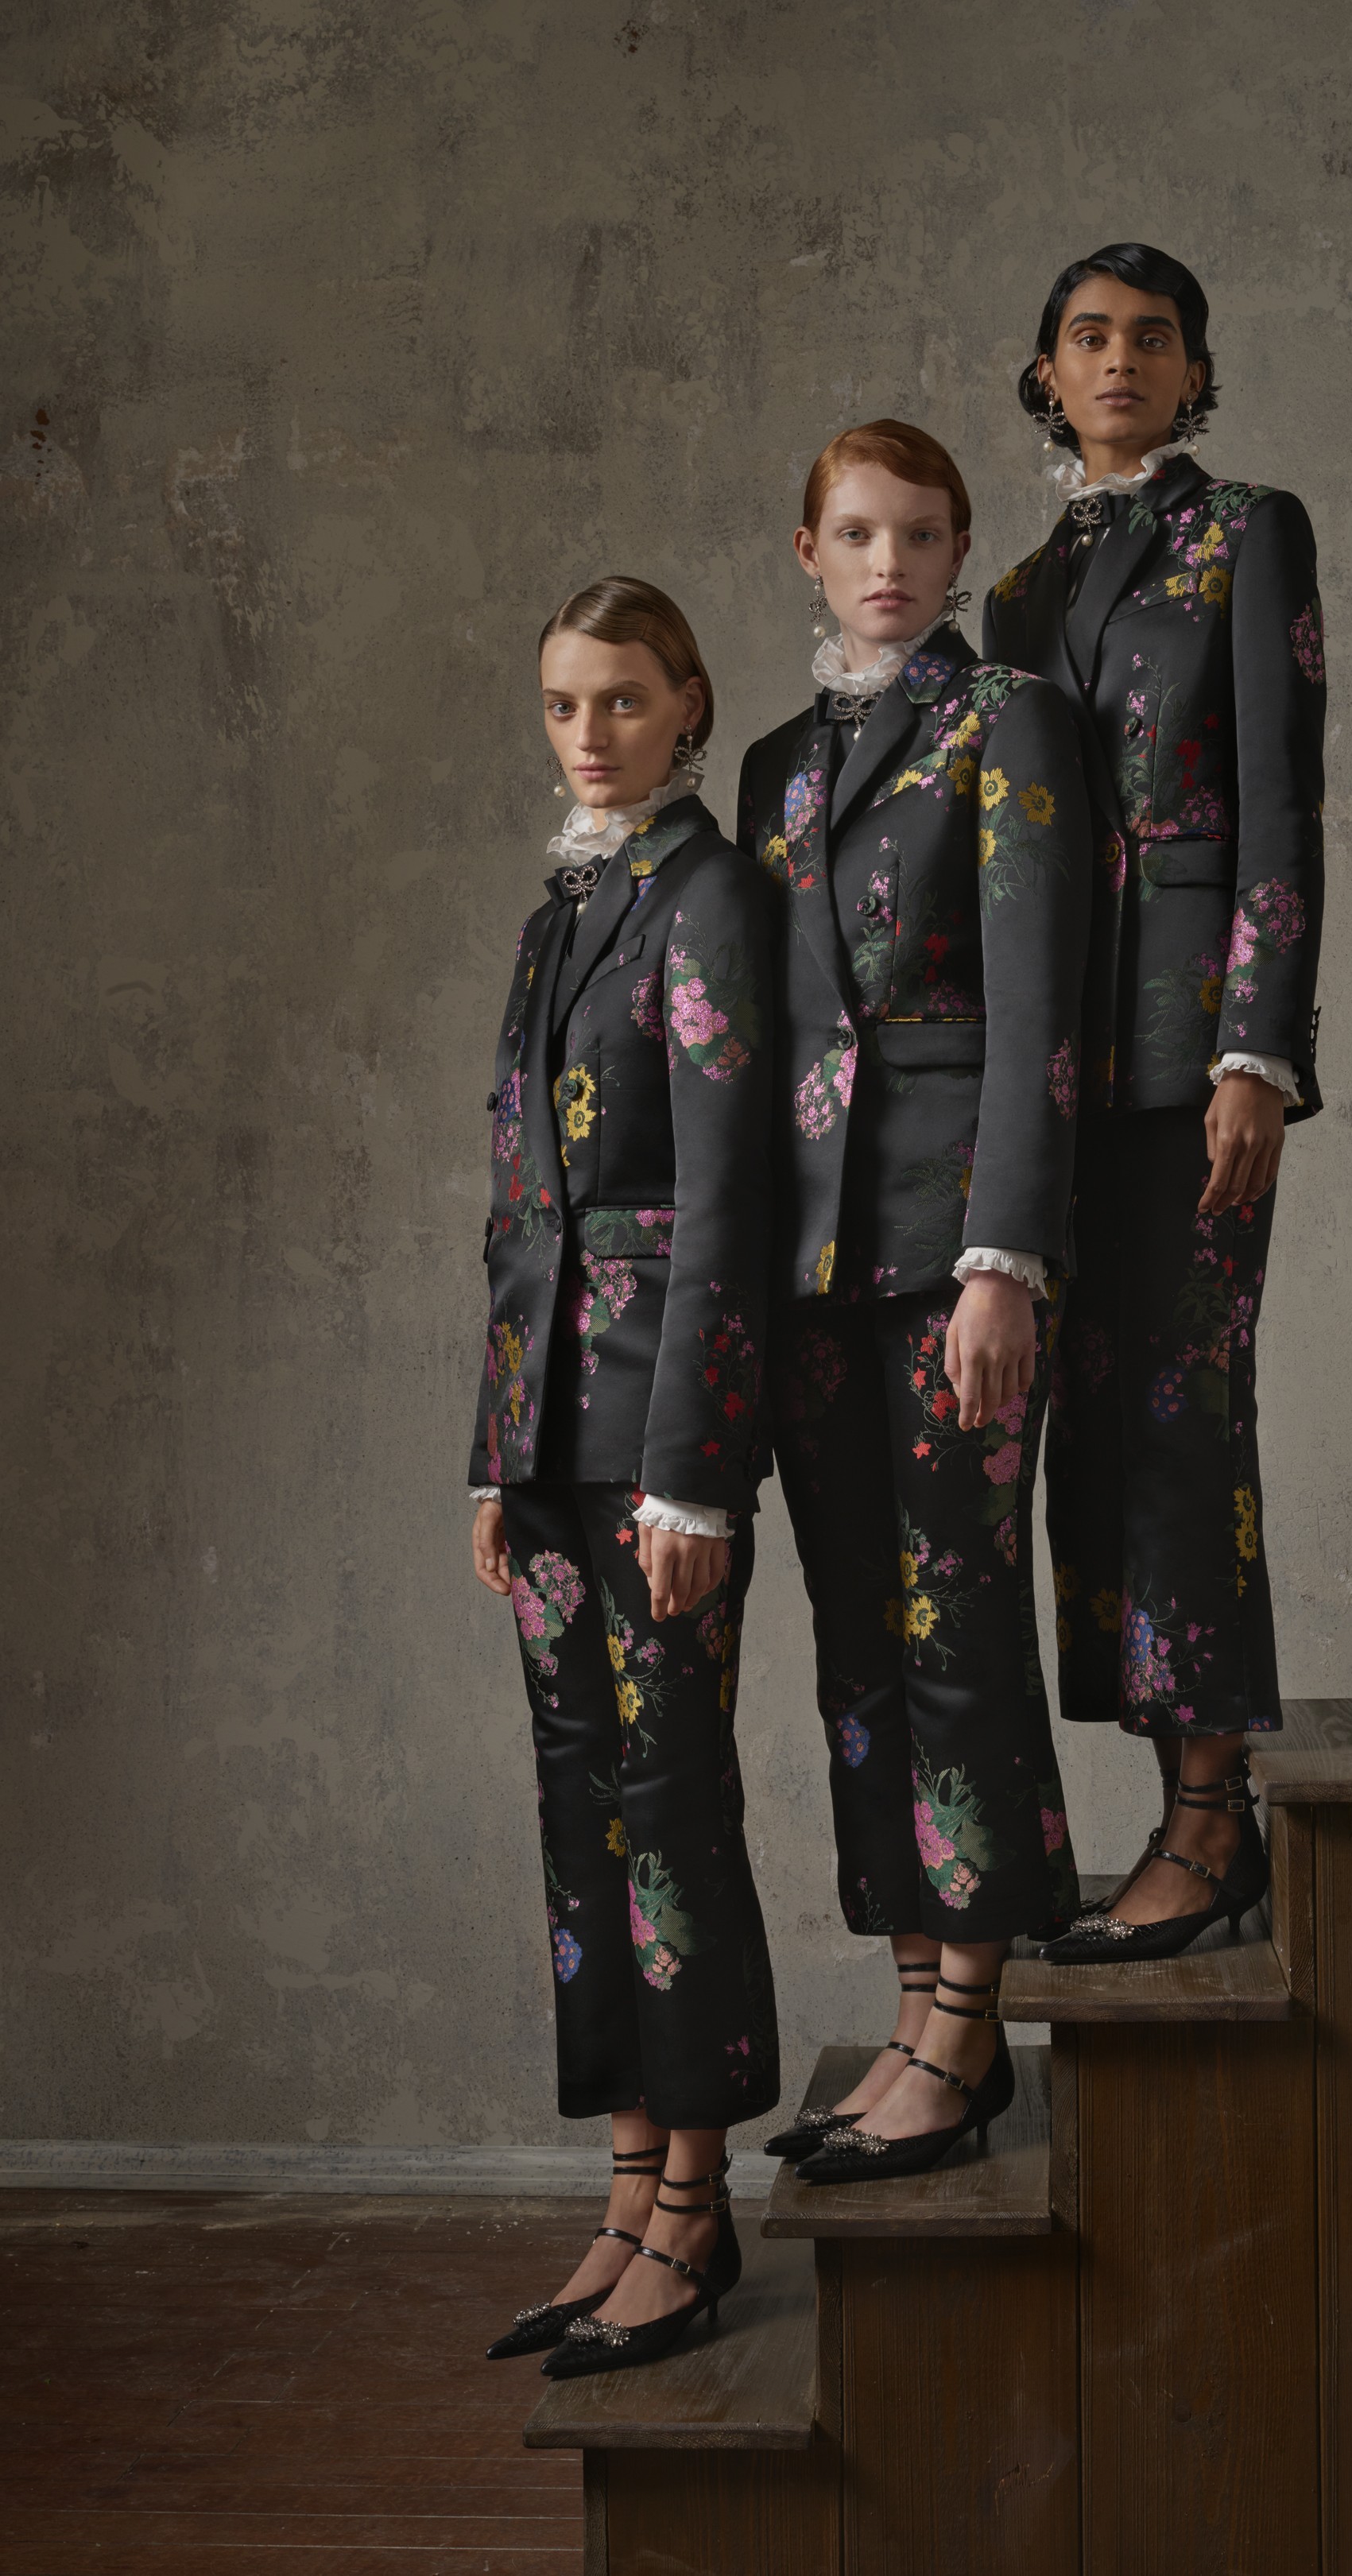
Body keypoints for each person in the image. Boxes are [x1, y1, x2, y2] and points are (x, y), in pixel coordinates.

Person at [738, 420, 1091, 2179]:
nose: (892, 564)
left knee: (959, 1620)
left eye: (926, 534)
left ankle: (968, 2026)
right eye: (861, 533)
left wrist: (1002, 1257)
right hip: (806, 1260)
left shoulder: (1008, 717)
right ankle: (908, 2009)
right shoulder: (770, 764)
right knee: (856, 1637)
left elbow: (1040, 1007)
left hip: (955, 1250)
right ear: (806, 549)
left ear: (961, 552)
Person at [982, 244, 1326, 1966]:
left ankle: (1213, 1818)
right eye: (1089, 337)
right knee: (1095, 1433)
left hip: (1196, 1059)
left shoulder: (1248, 530)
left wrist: (1257, 1052)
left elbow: (1281, 799)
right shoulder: (1016, 591)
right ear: (1046, 373)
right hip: (1057, 1075)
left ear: (1196, 371)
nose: (1121, 360)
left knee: (1189, 1419)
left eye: (1155, 337)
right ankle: (1161, 1804)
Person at [469, 577, 779, 2373]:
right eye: (564, 705)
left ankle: (700, 2209)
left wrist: (696, 1479)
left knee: (670, 1805)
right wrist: (489, 1454)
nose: (591, 735)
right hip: (543, 1443)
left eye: (624, 701)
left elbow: (731, 1196)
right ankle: (627, 2188)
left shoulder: (713, 896)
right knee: (580, 1811)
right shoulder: (557, 912)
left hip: (660, 1437)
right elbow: (517, 1205)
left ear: (691, 707)